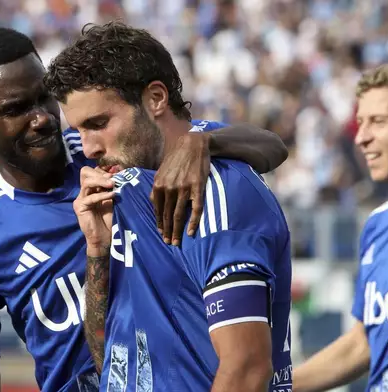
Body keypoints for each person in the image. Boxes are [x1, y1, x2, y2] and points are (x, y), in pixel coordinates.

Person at [0, 27, 288, 392]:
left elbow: (267, 147)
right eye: (16, 109)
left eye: (44, 99)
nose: (41, 119)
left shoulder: (117, 152)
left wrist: (202, 143)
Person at [45, 22, 292, 391]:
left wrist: (203, 142)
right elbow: (113, 357)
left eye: (98, 123)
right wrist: (97, 250)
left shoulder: (215, 189)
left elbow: (246, 369)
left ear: (156, 98)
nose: (89, 148)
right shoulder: (124, 176)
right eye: (80, 129)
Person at [293, 62, 388, 391]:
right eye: (360, 123)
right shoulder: (378, 225)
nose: (362, 138)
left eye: (378, 122)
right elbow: (361, 343)